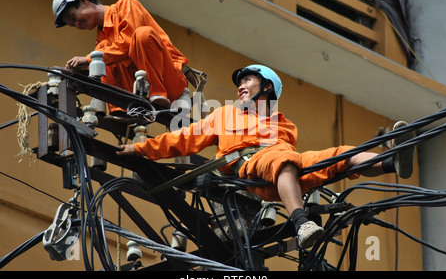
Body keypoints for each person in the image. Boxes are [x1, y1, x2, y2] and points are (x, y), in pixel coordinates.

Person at [116, 64, 414, 249]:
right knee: (281, 160)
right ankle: (302, 224)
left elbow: (288, 153)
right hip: (251, 168)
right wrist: (141, 148)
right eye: (240, 82)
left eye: (247, 80)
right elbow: (184, 138)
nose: (240, 86)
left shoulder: (282, 123)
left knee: (341, 155)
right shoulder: (226, 114)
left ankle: (392, 161)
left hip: (282, 171)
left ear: (267, 87)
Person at [52, 0, 189, 113]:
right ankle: (120, 110)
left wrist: (89, 59)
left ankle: (158, 93)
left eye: (74, 17)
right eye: (72, 24)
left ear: (83, 0)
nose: (77, 24)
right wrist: (78, 70)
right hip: (142, 90)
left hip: (169, 82)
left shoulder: (126, 5)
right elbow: (110, 58)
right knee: (101, 51)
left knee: (142, 35)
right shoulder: (102, 39)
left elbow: (128, 43)